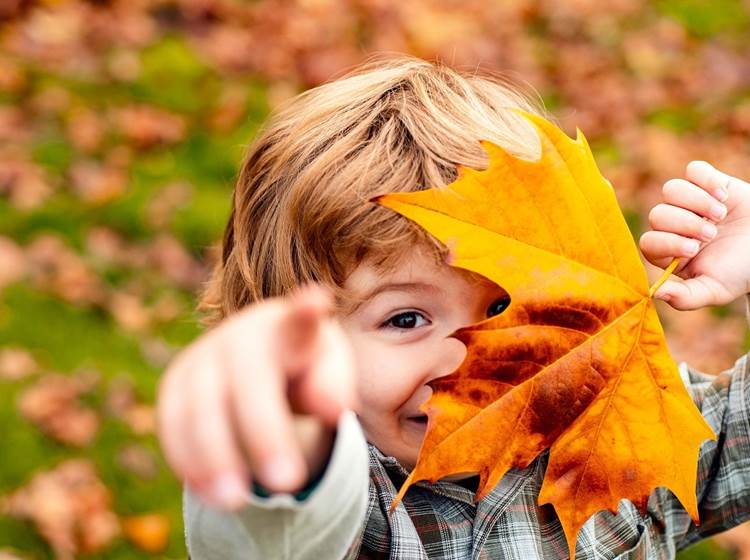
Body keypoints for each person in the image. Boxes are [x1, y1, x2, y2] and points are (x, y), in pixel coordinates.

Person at [155, 55, 750, 559]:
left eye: (500, 307)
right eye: (405, 319)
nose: (462, 359)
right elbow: (271, 526)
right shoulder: (351, 501)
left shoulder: (612, 428)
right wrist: (281, 430)